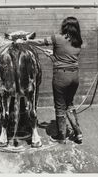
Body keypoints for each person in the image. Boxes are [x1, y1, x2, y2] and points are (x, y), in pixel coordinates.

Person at [23, 16, 83, 144]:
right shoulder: (78, 41)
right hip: (75, 77)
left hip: (61, 77)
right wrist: (53, 54)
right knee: (69, 104)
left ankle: (61, 137)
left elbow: (41, 42)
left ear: (64, 26)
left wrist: (27, 41)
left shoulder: (57, 38)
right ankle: (78, 133)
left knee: (60, 107)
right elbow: (68, 57)